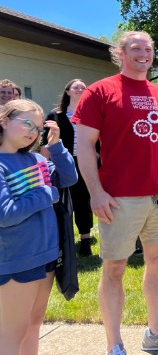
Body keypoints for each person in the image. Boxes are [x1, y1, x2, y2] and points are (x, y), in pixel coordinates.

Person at [73, 31, 158, 355]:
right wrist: (95, 192)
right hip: (118, 198)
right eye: (136, 48)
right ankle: (115, 345)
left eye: (149, 48)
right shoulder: (100, 92)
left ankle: (156, 334)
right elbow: (83, 144)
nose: (144, 53)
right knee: (114, 268)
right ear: (120, 54)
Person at [0, 99, 77, 355]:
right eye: (26, 123)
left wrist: (56, 146)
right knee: (12, 333)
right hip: (17, 261)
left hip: (46, 258)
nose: (32, 131)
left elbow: (68, 178)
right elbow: (5, 214)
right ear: (4, 121)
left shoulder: (37, 160)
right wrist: (45, 193)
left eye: (37, 127)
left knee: (32, 326)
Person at [41, 79, 95, 256]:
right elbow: (46, 142)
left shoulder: (91, 113)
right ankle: (64, 240)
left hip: (85, 162)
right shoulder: (56, 116)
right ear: (68, 91)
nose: (80, 89)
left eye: (83, 87)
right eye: (76, 87)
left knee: (82, 201)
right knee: (62, 203)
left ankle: (85, 240)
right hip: (63, 164)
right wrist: (43, 165)